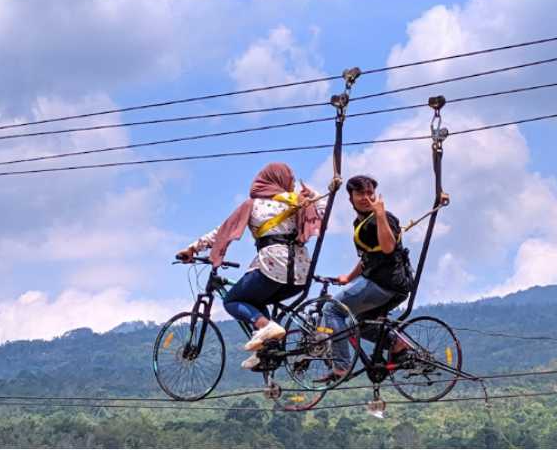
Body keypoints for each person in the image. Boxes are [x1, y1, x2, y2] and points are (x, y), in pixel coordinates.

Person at [176, 162, 325, 369]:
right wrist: (314, 194)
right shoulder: (297, 202)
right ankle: (263, 350)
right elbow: (322, 213)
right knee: (255, 299)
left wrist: (192, 249)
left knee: (232, 299)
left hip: (273, 268)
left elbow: (223, 231)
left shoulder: (254, 205)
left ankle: (265, 326)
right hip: (300, 276)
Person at [321, 175, 415, 381]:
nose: (365, 197)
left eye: (369, 193)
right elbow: (368, 258)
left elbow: (389, 247)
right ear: (351, 198)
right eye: (360, 193)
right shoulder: (359, 222)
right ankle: (397, 345)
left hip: (386, 283)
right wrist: (349, 277)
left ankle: (341, 367)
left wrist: (380, 215)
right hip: (386, 283)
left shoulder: (383, 217)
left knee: (332, 309)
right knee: (360, 322)